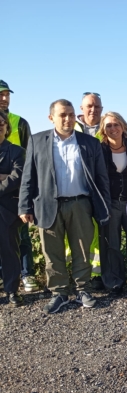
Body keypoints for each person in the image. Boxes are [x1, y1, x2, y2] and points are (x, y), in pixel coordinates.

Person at [18, 99, 111, 314]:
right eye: (62, 115)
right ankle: (59, 292)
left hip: (80, 204)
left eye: (70, 114)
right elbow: (28, 176)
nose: (68, 119)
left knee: (82, 249)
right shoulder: (37, 141)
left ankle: (82, 289)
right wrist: (24, 206)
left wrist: (102, 206)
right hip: (47, 206)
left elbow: (101, 178)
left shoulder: (89, 143)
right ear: (51, 117)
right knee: (53, 253)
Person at [0, 79, 39, 293]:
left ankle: (27, 274)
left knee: (21, 237)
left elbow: (27, 157)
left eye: (7, 94)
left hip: (15, 192)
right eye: (0, 94)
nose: (4, 98)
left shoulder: (19, 122)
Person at [98, 112, 127, 294]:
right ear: (103, 129)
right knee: (111, 245)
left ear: (123, 126)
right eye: (108, 125)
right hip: (110, 203)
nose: (113, 128)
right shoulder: (99, 150)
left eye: (116, 124)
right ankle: (114, 281)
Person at [74, 92, 105, 290]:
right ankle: (75, 273)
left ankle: (97, 275)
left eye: (97, 107)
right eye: (89, 106)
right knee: (75, 235)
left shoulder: (107, 127)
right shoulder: (70, 129)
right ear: (81, 108)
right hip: (76, 190)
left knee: (98, 235)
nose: (93, 110)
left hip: (100, 191)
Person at [0, 110, 25, 306]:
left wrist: (5, 179)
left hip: (7, 211)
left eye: (1, 124)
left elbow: (16, 178)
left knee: (9, 251)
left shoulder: (17, 151)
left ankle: (11, 290)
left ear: (7, 128)